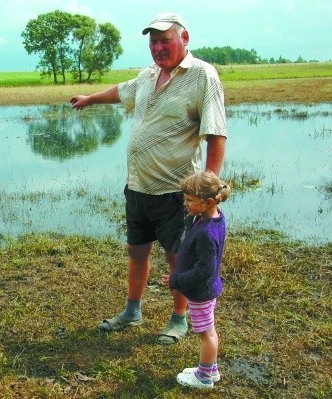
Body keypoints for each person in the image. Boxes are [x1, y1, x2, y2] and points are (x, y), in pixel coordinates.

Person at [70, 12, 227, 344]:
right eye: (153, 41)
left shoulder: (203, 76)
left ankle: (179, 318)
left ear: (184, 39)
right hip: (138, 187)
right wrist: (89, 99)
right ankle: (132, 310)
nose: (158, 47)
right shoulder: (148, 74)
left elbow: (216, 133)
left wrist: (209, 185)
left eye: (165, 40)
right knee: (136, 252)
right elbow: (121, 91)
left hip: (175, 192)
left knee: (178, 257)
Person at [161, 171, 231, 388]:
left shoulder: (207, 233)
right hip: (205, 290)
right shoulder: (213, 217)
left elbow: (204, 272)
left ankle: (203, 377)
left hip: (202, 292)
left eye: (190, 200)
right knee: (207, 330)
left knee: (206, 333)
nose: (185, 204)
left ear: (208, 201)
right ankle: (211, 369)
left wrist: (176, 280)